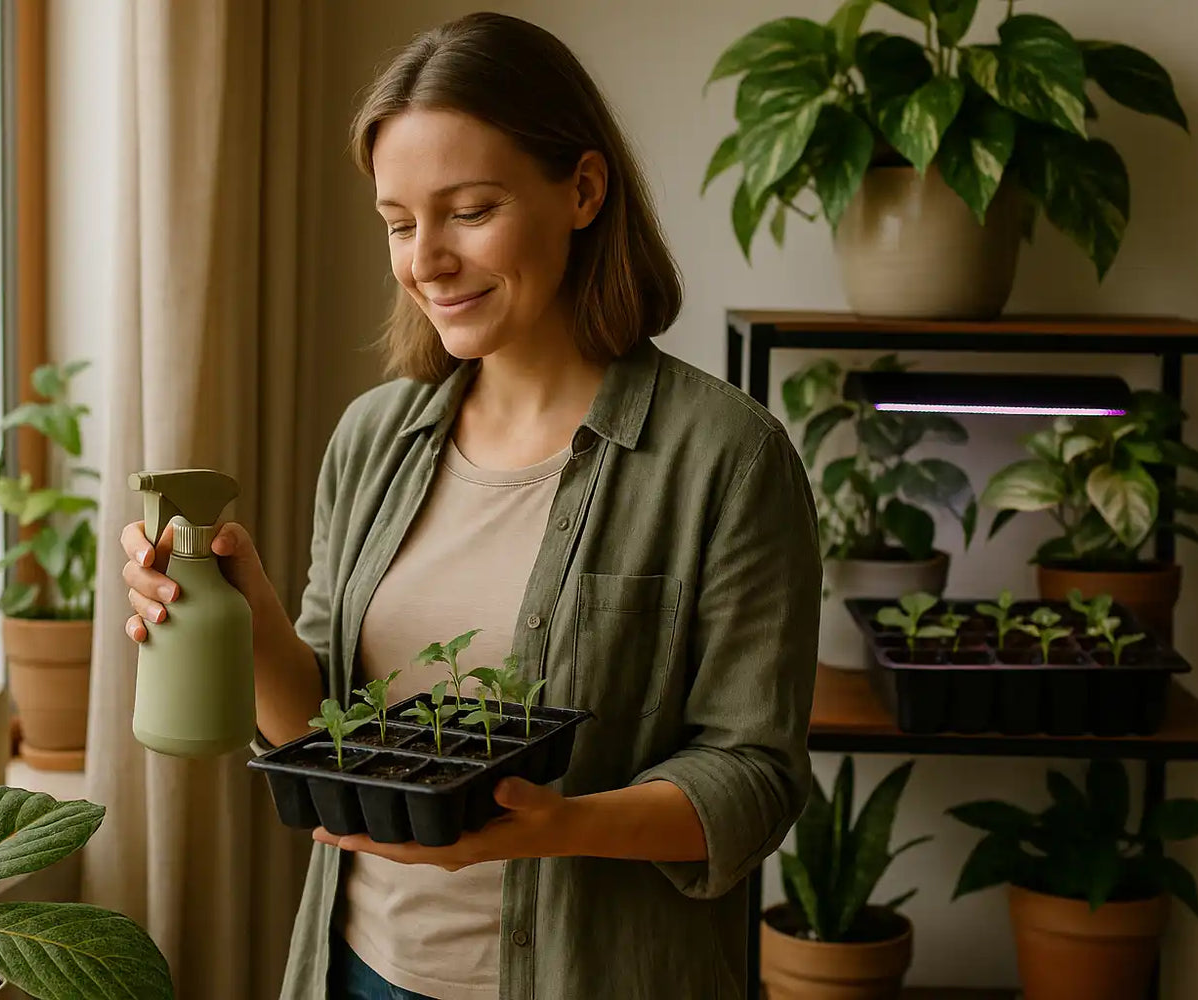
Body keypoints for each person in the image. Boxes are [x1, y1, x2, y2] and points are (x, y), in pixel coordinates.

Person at [121, 11, 820, 1000]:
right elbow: (319, 730)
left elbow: (756, 775)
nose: (427, 260)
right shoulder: (373, 438)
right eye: (400, 222)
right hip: (358, 968)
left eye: (469, 210)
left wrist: (561, 823)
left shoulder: (726, 458)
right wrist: (238, 613)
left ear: (581, 191)